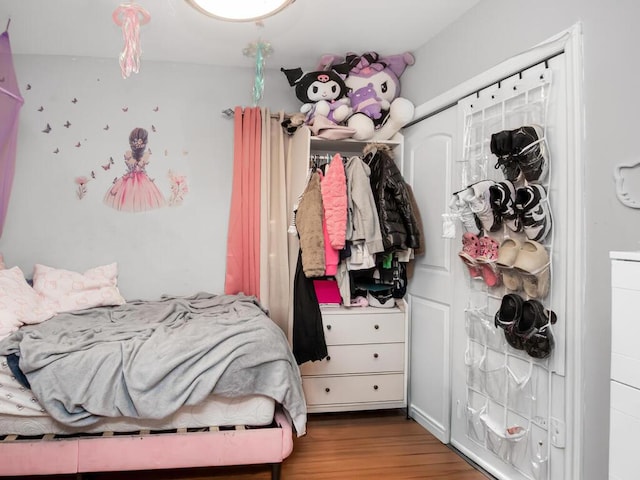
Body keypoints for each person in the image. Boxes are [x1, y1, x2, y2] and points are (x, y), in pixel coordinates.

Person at [104, 127, 165, 212]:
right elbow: (138, 165)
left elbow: (136, 165)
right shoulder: (144, 155)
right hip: (140, 179)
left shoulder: (130, 154)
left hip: (129, 178)